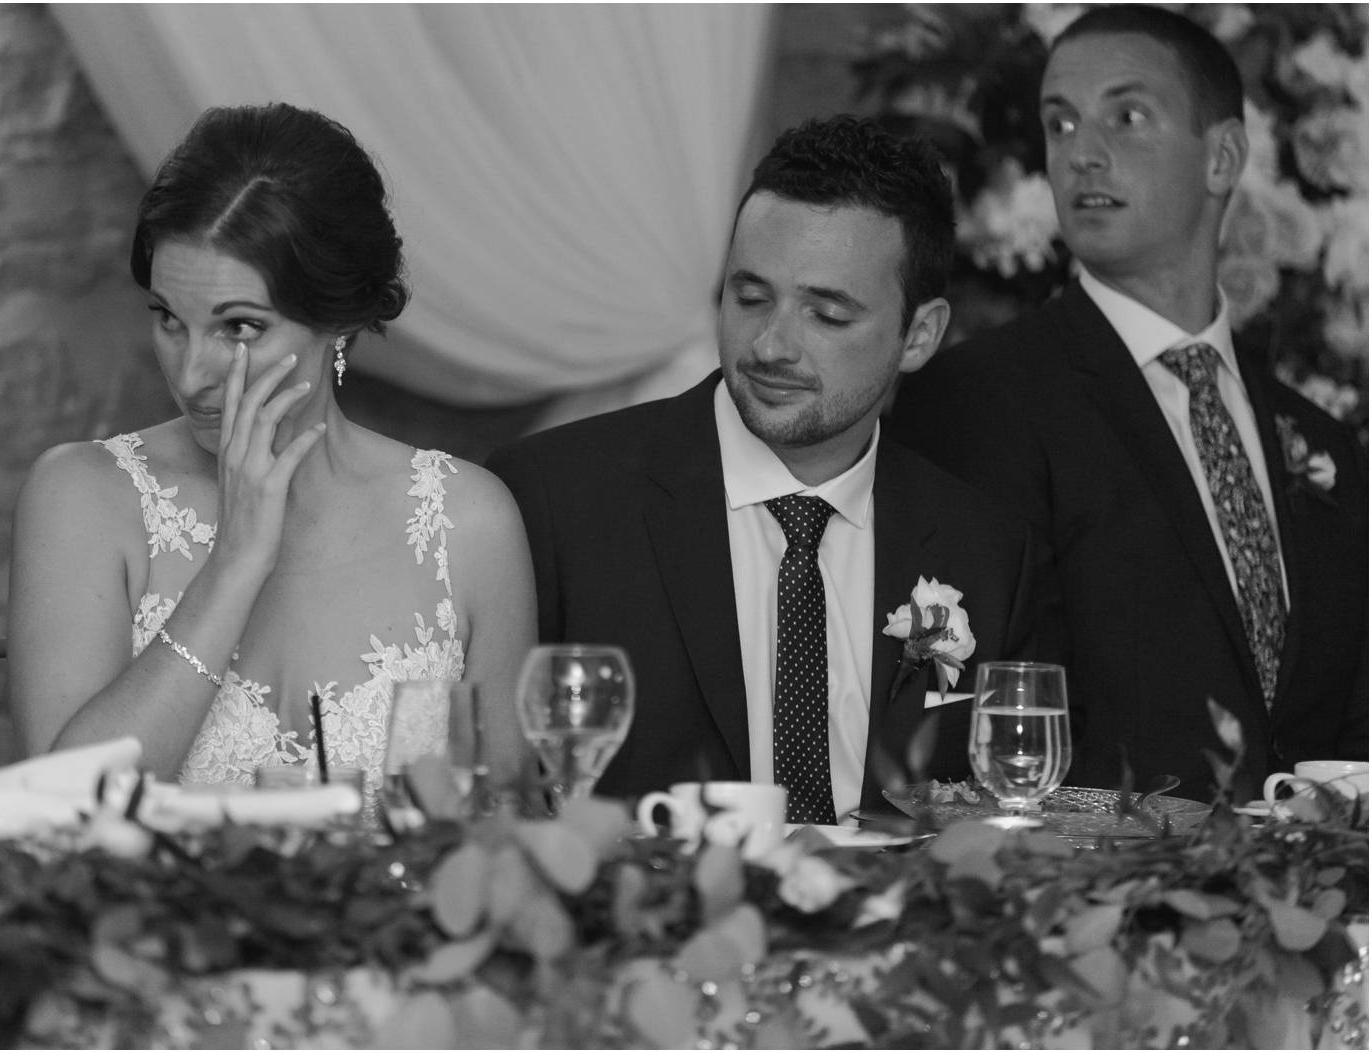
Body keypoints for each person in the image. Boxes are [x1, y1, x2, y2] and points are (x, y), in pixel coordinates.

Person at [488, 115, 1043, 822]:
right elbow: (491, 800)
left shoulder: (990, 552)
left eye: (828, 315)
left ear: (921, 334)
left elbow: (1008, 817)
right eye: (749, 297)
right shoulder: (551, 501)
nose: (772, 344)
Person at [890, 6, 1368, 801]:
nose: (1082, 152)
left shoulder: (1316, 438)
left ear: (1222, 158)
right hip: (1082, 901)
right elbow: (945, 709)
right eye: (1061, 122)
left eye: (1128, 115)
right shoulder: (975, 399)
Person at [7, 103, 536, 793]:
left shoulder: (470, 524)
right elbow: (59, 806)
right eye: (169, 319)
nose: (192, 372)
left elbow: (501, 843)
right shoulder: (81, 496)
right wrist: (232, 565)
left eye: (239, 327)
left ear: (339, 319)